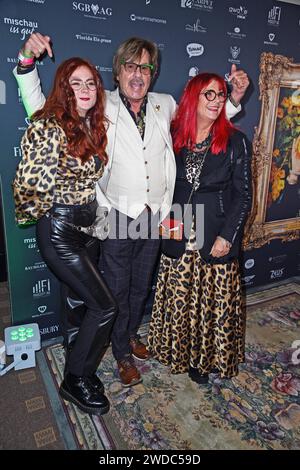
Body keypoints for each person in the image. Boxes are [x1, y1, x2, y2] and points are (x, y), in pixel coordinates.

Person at [13, 32, 249, 387]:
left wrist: (232, 99)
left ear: (152, 73)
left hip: (159, 215)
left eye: (145, 67)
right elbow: (40, 109)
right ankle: (121, 351)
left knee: (141, 287)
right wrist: (26, 63)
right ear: (117, 71)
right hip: (117, 215)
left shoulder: (164, 103)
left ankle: (129, 333)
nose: (137, 74)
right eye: (130, 66)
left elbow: (201, 119)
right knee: (118, 287)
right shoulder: (99, 102)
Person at [12, 57, 117, 414]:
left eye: (91, 83)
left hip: (88, 228)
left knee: (79, 304)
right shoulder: (49, 125)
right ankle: (75, 379)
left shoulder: (91, 124)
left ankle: (79, 362)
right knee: (105, 307)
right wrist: (41, 213)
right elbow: (28, 184)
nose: (86, 89)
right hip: (60, 231)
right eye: (77, 83)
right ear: (63, 87)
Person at [147, 73, 252, 383]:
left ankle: (202, 360)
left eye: (220, 95)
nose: (218, 100)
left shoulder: (235, 141)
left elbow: (243, 195)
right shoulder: (172, 136)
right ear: (193, 98)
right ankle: (179, 352)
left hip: (215, 232)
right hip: (177, 230)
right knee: (181, 299)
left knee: (209, 304)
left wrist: (227, 235)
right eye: (209, 94)